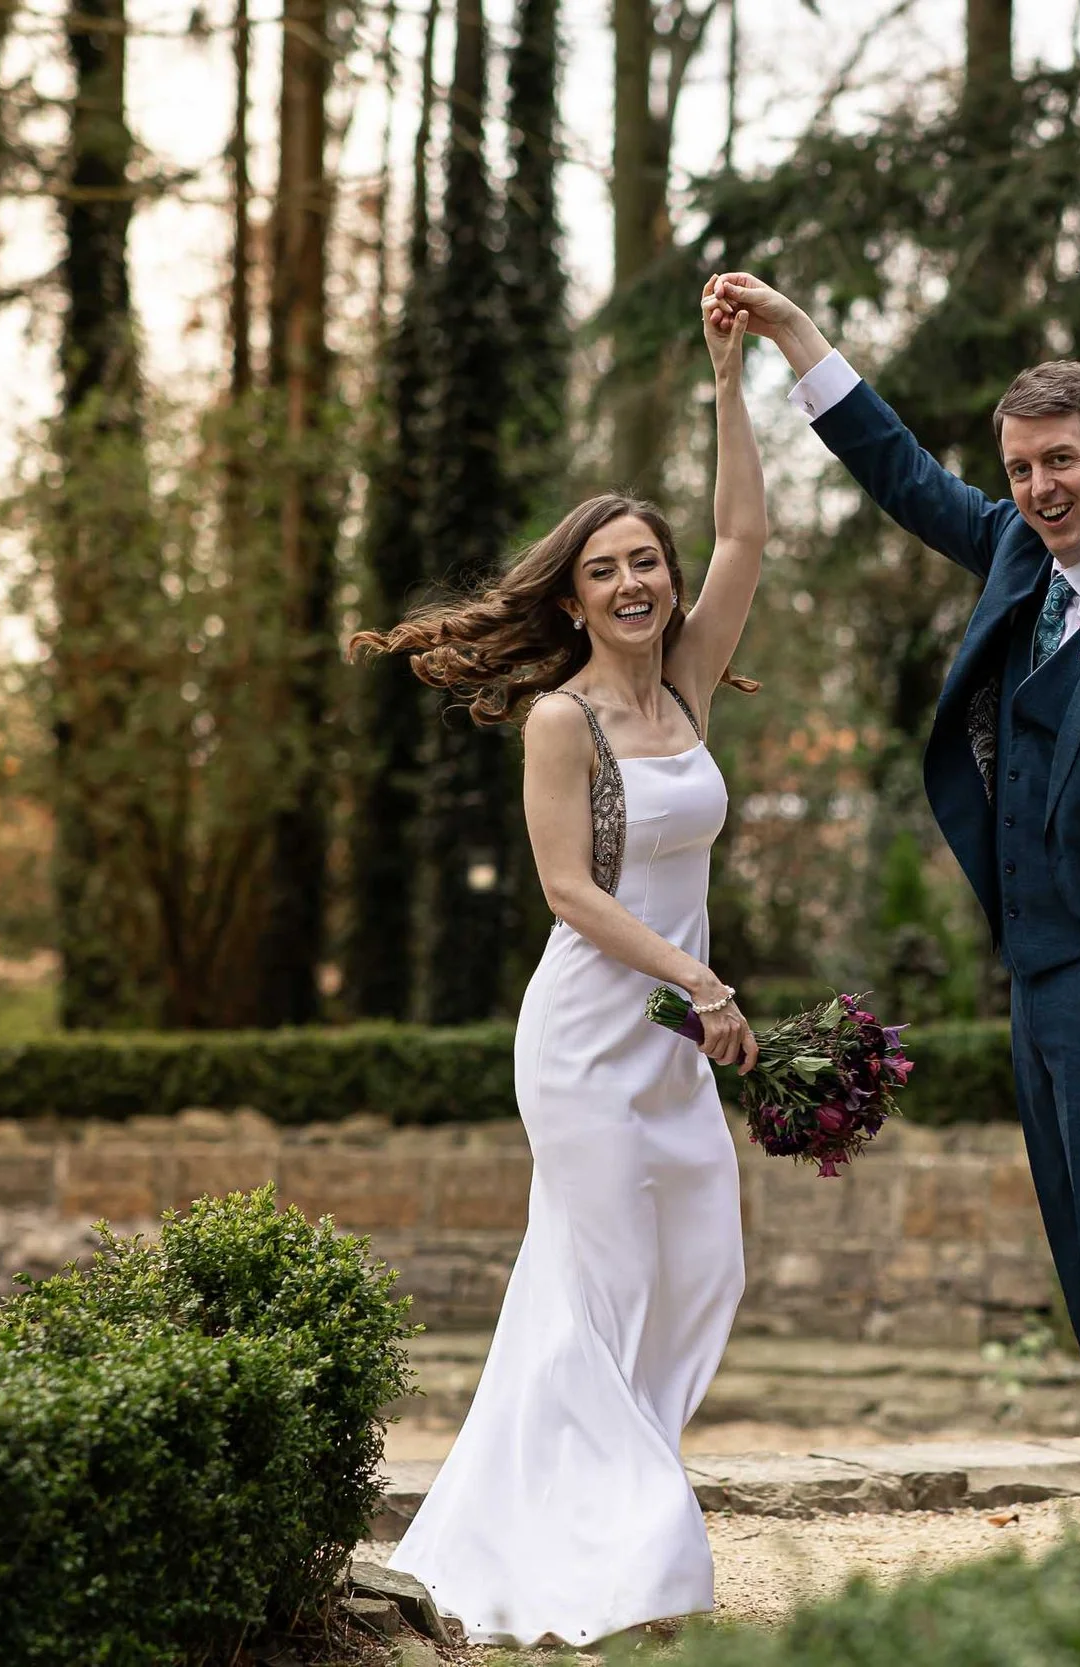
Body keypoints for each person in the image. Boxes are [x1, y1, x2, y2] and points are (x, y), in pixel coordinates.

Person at [712, 272, 1080, 1527]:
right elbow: (904, 476)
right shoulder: (1018, 546)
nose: (1037, 488)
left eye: (1060, 461)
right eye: (1018, 469)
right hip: (1037, 977)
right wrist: (798, 338)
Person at [348, 280, 767, 1646]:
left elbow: (750, 532)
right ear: (574, 597)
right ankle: (635, 1548)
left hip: (676, 1031)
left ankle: (572, 1510)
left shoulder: (691, 684)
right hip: (593, 1035)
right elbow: (567, 890)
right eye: (611, 569)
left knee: (702, 1261)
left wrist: (728, 376)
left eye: (650, 559)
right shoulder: (561, 718)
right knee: (596, 1285)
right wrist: (700, 984)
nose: (641, 581)